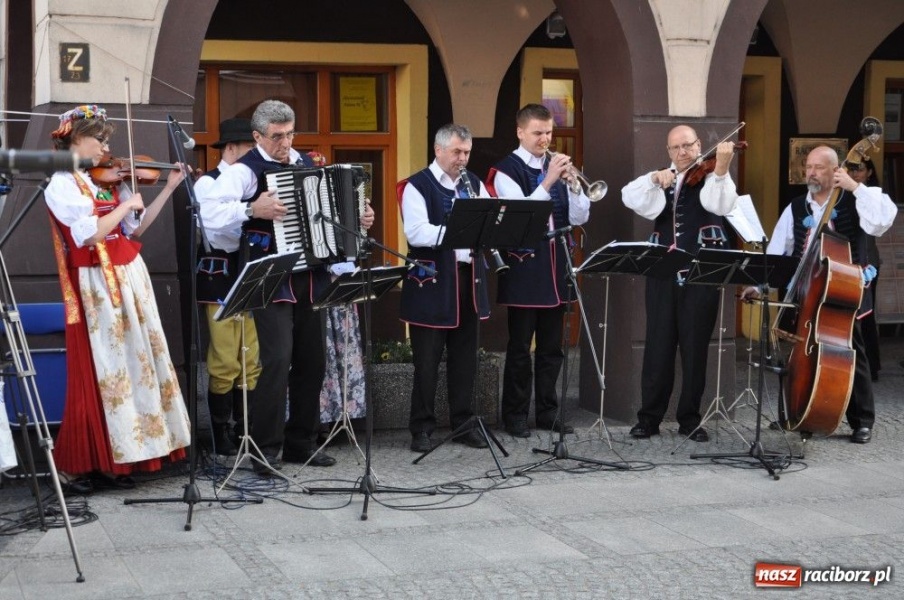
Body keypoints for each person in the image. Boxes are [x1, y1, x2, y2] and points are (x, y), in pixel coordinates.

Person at [205, 99, 374, 474]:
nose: (285, 142)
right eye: (277, 136)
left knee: (313, 362)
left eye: (290, 133)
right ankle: (265, 449)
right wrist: (251, 210)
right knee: (277, 359)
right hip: (271, 278)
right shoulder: (242, 172)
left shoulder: (306, 166)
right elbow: (210, 214)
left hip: (309, 277)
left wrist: (359, 218)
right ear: (257, 136)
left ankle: (302, 442)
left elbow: (333, 215)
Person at [44, 104, 191, 489]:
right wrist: (126, 204)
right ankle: (90, 461)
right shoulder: (62, 182)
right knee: (106, 370)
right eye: (99, 138)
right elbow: (87, 234)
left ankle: (123, 459)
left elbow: (135, 229)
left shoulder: (107, 180)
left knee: (133, 365)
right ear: (76, 139)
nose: (105, 147)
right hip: (95, 281)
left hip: (128, 275)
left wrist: (169, 189)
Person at [742, 146, 897, 443]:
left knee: (853, 353)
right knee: (801, 354)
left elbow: (882, 219)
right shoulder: (797, 207)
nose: (811, 172)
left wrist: (854, 186)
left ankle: (861, 420)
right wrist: (760, 284)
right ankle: (802, 414)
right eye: (808, 167)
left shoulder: (856, 201)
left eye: (819, 167)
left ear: (835, 170)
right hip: (807, 292)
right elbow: (779, 251)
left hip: (845, 290)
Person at [621, 125, 739, 442]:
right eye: (675, 147)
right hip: (661, 275)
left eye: (688, 145)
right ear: (668, 151)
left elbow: (721, 205)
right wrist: (652, 179)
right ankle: (649, 419)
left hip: (701, 276)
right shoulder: (663, 179)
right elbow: (629, 197)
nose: (682, 152)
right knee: (657, 349)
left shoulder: (714, 176)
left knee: (694, 350)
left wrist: (723, 169)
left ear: (699, 145)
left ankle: (689, 419)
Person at [486, 103, 590, 438]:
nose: (544, 139)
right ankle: (515, 414)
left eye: (548, 133)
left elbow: (578, 219)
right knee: (519, 349)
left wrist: (574, 187)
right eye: (537, 133)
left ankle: (547, 411)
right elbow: (521, 216)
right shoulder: (505, 171)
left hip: (557, 265)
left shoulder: (556, 167)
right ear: (520, 132)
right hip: (524, 268)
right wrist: (549, 180)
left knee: (552, 348)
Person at [399, 123, 491, 452]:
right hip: (432, 282)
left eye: (466, 152)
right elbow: (417, 233)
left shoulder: (474, 184)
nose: (462, 159)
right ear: (438, 150)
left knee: (465, 358)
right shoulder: (416, 186)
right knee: (427, 360)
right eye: (457, 152)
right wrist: (460, 230)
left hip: (469, 278)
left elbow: (489, 222)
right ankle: (421, 429)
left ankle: (464, 423)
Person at [194, 118, 258, 455]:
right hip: (220, 274)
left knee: (251, 358)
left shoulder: (253, 182)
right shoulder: (208, 183)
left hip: (249, 274)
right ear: (231, 148)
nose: (253, 156)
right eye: (250, 148)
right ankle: (220, 435)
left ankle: (244, 431)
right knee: (224, 359)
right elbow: (217, 232)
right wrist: (251, 213)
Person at [847, 157, 885, 381]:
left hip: (868, 262)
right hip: (850, 262)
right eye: (851, 170)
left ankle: (872, 365)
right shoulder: (845, 194)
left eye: (860, 170)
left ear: (869, 172)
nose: (855, 175)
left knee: (866, 315)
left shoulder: (870, 195)